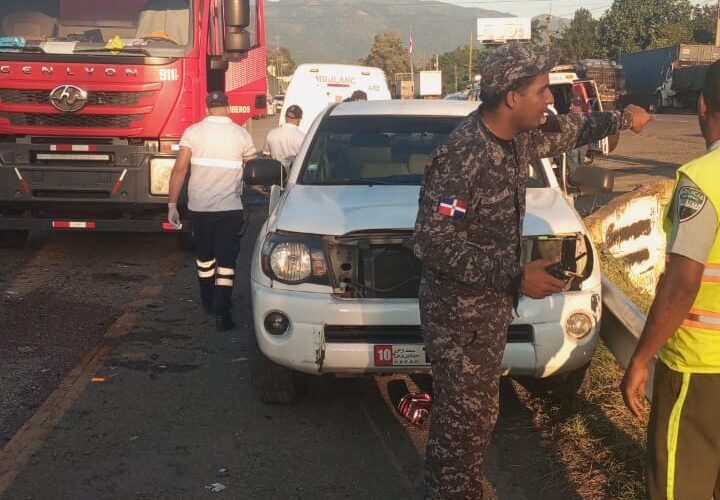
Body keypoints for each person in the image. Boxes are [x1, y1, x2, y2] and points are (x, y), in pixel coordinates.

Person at [412, 42, 653, 500]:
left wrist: (625, 120)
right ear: (511, 97)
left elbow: (570, 129)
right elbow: (433, 241)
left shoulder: (519, 137)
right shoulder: (461, 155)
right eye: (542, 90)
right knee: (462, 423)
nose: (550, 100)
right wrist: (515, 276)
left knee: (478, 416)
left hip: (486, 312)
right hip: (458, 317)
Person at [622, 60, 720, 500]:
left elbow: (682, 285)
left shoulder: (702, 181)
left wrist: (641, 358)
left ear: (702, 105)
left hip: (700, 371)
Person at [167, 91, 257, 331]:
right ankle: (223, 310)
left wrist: (172, 204)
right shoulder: (241, 134)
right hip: (229, 209)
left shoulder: (193, 132)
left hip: (199, 208)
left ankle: (207, 301)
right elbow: (252, 172)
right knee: (227, 261)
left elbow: (179, 169)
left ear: (207, 109)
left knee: (205, 258)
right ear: (227, 107)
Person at [263, 104, 305, 168]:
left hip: (275, 173)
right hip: (294, 174)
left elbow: (266, 156)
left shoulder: (271, 134)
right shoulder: (302, 137)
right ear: (299, 119)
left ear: (285, 117)